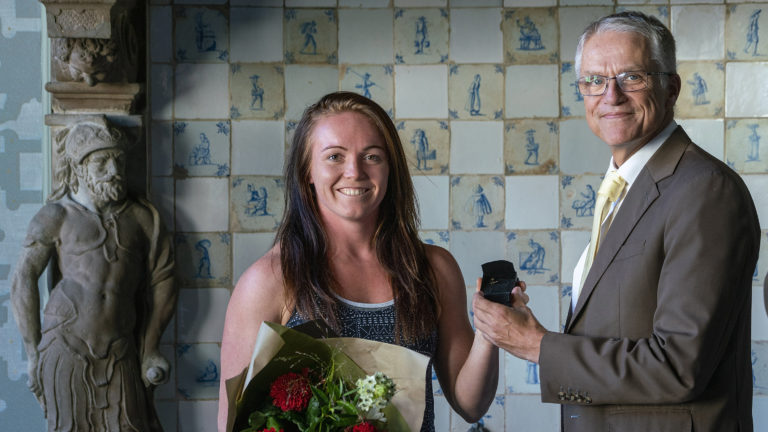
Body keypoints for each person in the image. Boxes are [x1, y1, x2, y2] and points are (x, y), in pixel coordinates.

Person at [473, 11, 760, 432]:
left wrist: (538, 347)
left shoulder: (705, 191)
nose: (611, 96)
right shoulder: (624, 186)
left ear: (671, 88)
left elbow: (678, 367)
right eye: (593, 80)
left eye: (632, 77)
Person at [218, 92, 502, 431]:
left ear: (390, 169)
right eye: (334, 156)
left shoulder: (433, 270)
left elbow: (471, 405)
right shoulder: (270, 279)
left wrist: (490, 331)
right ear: (307, 171)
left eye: (372, 156)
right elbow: (232, 424)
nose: (354, 171)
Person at [10, 118, 176, 431]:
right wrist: (33, 352)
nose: (115, 170)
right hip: (65, 345)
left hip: (121, 347)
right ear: (79, 169)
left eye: (119, 161)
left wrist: (151, 347)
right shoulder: (55, 215)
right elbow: (22, 278)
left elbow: (164, 279)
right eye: (102, 162)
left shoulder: (143, 219)